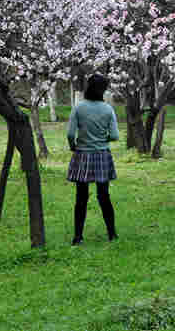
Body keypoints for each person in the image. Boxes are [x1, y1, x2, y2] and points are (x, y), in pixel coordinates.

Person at [66, 73, 120, 245]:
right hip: (102, 155)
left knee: (81, 198)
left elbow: (69, 133)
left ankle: (78, 237)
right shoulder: (107, 109)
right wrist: (103, 139)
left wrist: (73, 145)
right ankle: (112, 234)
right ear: (103, 90)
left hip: (82, 154)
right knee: (103, 195)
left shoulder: (78, 107)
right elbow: (115, 135)